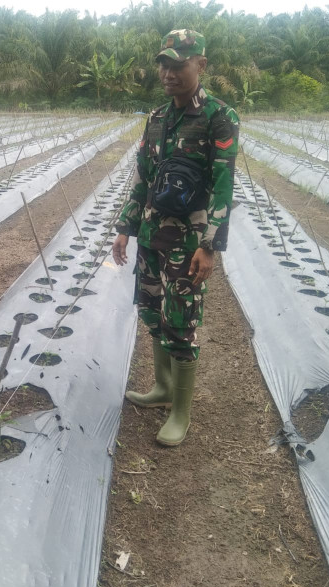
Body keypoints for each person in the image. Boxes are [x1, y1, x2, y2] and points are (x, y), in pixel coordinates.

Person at [112, 30, 239, 446]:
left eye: (178, 65)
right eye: (163, 65)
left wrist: (209, 245)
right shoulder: (157, 118)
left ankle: (180, 413)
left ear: (200, 65)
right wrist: (125, 229)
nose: (168, 73)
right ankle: (163, 389)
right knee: (153, 314)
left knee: (181, 323)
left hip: (188, 243)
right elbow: (142, 179)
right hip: (152, 235)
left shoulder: (219, 117)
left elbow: (223, 185)